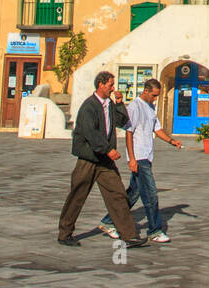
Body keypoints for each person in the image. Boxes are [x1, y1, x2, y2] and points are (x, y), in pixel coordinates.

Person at [56, 71, 147, 248]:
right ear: (101, 85)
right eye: (110, 85)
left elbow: (121, 121)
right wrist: (108, 150)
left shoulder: (109, 104)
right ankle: (64, 233)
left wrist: (120, 104)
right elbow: (91, 133)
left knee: (117, 195)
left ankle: (129, 235)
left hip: (104, 162)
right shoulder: (89, 106)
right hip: (89, 159)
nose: (113, 88)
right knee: (77, 196)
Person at [99, 78, 182, 243]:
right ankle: (154, 230)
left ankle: (108, 221)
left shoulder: (151, 107)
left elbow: (157, 129)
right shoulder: (135, 107)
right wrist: (132, 158)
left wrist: (172, 141)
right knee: (151, 195)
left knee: (133, 193)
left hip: (147, 156)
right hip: (139, 157)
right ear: (146, 91)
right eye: (154, 95)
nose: (155, 98)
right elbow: (129, 133)